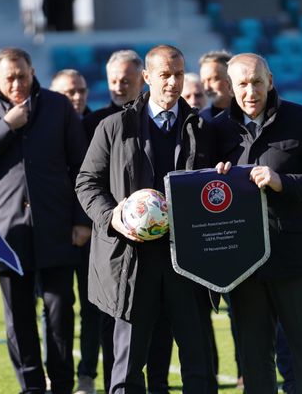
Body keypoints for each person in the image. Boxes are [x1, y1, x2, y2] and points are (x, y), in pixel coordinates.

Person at [76, 45, 218, 394]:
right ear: (147, 77)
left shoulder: (203, 127)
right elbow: (86, 183)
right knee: (127, 368)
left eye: (179, 74)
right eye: (165, 74)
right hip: (132, 262)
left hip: (187, 262)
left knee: (198, 365)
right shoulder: (114, 126)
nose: (173, 82)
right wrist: (114, 218)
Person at [0, 47, 89, 394]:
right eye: (9, 78)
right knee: (18, 317)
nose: (17, 83)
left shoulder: (58, 106)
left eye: (22, 75)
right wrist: (6, 125)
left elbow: (82, 166)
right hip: (8, 235)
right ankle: (32, 386)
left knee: (61, 313)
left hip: (57, 227)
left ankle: (62, 384)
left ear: (33, 71)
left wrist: (82, 220)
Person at [214, 53, 302, 393]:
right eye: (242, 83)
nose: (250, 90)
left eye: (257, 81)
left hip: (295, 259)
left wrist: (282, 181)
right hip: (243, 265)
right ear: (229, 87)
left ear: (270, 81)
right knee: (255, 362)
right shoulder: (216, 130)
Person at [81, 50, 174, 394]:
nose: (119, 86)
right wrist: (113, 217)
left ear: (142, 80)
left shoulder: (183, 124)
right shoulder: (104, 125)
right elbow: (86, 181)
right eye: (114, 80)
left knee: (165, 343)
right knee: (122, 345)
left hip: (173, 259)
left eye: (126, 79)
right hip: (123, 256)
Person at [49, 68, 97, 394]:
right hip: (54, 232)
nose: (77, 97)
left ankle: (87, 376)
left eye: (81, 90)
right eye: (69, 92)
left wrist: (85, 221)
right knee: (55, 308)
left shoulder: (99, 124)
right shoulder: (45, 126)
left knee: (94, 308)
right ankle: (58, 373)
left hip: (93, 231)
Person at [83, 50, 145, 140]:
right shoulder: (92, 122)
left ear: (142, 81)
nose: (118, 88)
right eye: (113, 82)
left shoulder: (155, 117)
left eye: (125, 81)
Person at [199, 50, 234, 121]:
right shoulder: (200, 121)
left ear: (232, 79)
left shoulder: (251, 116)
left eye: (213, 79)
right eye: (203, 82)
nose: (207, 88)